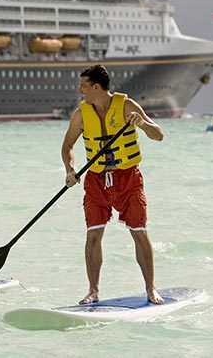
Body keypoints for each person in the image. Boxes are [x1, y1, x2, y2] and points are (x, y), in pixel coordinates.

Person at [61, 64, 165, 305]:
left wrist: (142, 123)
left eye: (83, 86)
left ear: (96, 87)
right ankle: (93, 291)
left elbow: (158, 135)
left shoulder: (127, 105)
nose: (80, 90)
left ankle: (151, 289)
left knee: (139, 233)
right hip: (96, 180)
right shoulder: (81, 114)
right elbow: (67, 146)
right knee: (93, 234)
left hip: (127, 178)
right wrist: (70, 170)